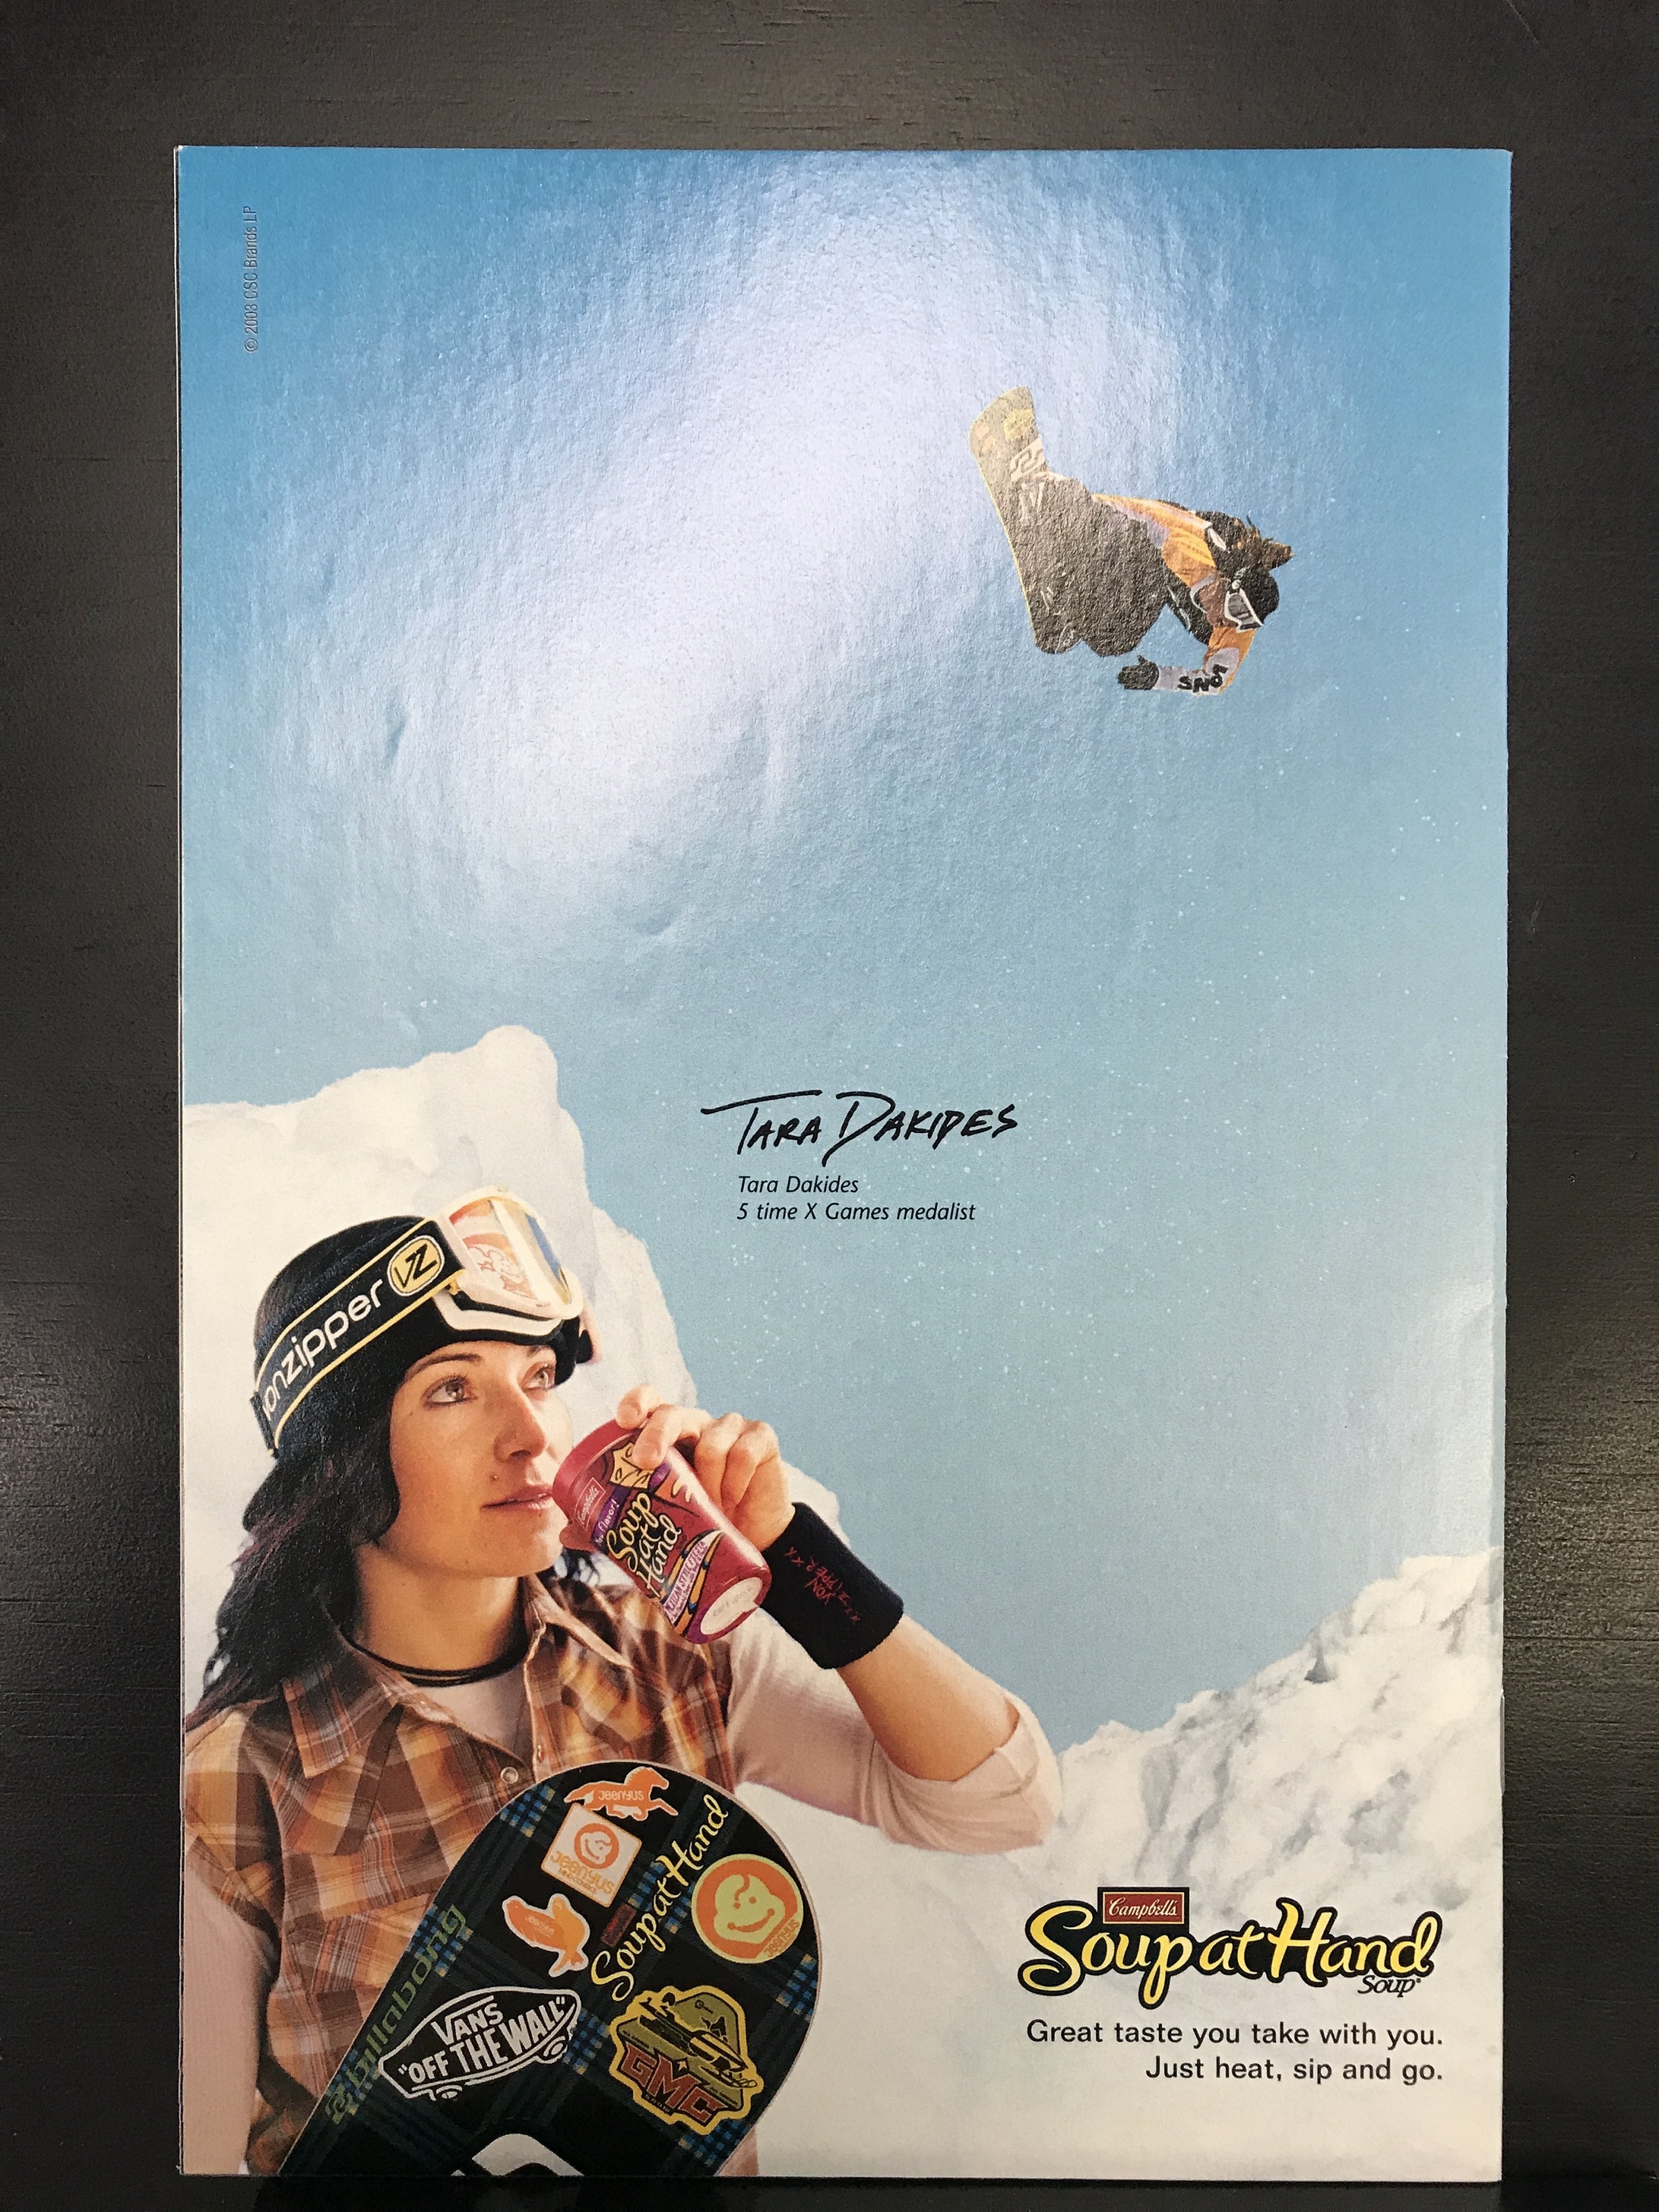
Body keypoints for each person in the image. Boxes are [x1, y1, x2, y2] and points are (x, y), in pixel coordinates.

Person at [182, 1189, 1060, 2174]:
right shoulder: (233, 1782)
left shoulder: (676, 1655)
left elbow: (1002, 1802)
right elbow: (192, 2171)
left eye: (538, 1377)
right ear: (336, 1460)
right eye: (452, 1390)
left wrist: (789, 1550)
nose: (531, 1433)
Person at [969, 385, 1293, 695]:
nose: (1227, 620)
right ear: (1228, 582)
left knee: (1105, 640)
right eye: (1235, 608)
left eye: (1243, 620)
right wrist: (1070, 504)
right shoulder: (1193, 551)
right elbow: (1149, 515)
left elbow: (1214, 682)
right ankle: (1050, 502)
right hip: (1131, 535)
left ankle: (1065, 591)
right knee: (1131, 575)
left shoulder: (1234, 633)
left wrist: (1158, 678)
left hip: (1143, 574)